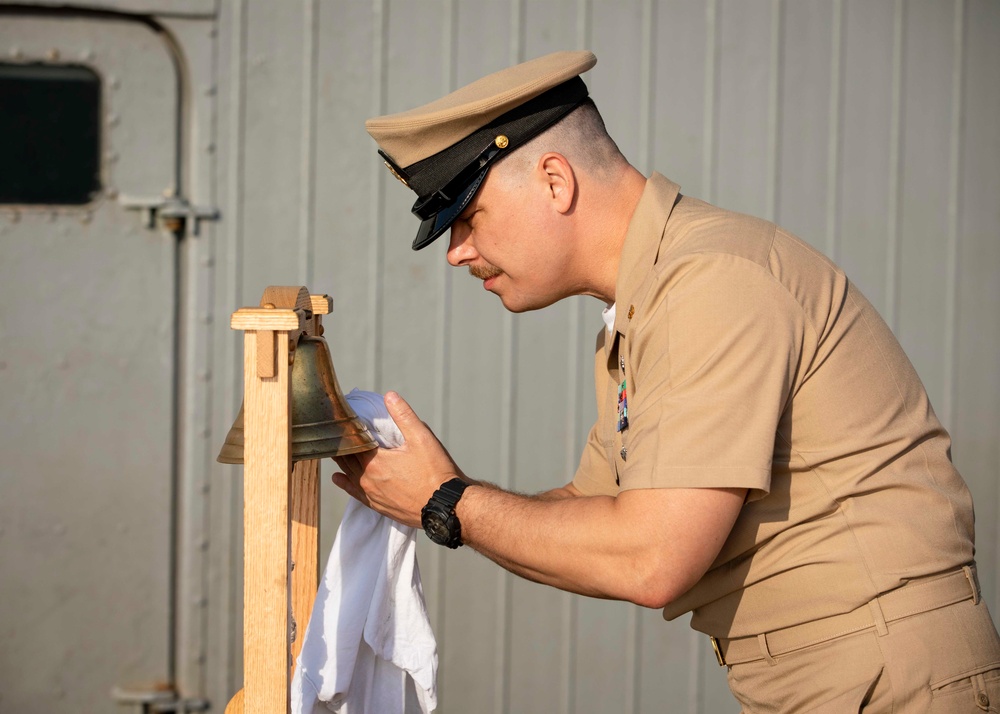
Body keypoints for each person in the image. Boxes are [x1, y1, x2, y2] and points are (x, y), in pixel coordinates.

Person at [333, 50, 1000, 712]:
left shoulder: (710, 283)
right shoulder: (646, 306)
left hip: (887, 678)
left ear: (556, 181)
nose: (458, 253)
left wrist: (447, 501)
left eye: (469, 218)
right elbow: (591, 518)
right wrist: (435, 494)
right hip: (842, 674)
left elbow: (651, 559)